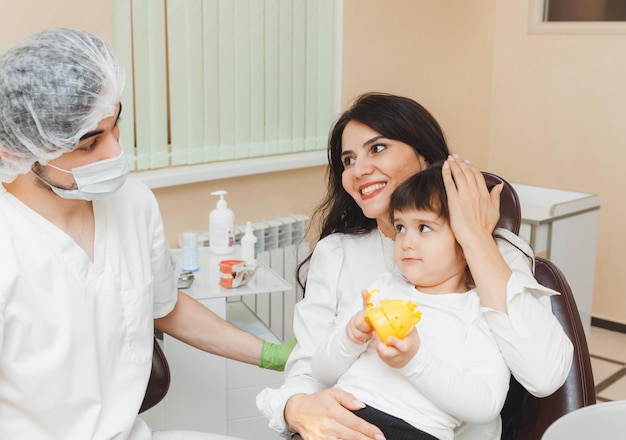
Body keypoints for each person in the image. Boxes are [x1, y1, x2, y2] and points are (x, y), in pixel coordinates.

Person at [0, 28, 294, 440]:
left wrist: (272, 354)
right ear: (17, 149)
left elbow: (163, 305)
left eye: (115, 126)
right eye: (90, 143)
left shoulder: (132, 202)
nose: (116, 152)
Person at [256, 92, 573, 440]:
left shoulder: (492, 252)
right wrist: (295, 407)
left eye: (377, 149)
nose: (359, 170)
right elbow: (308, 371)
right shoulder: (338, 254)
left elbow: (544, 376)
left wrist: (474, 240)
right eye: (348, 160)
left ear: (425, 157)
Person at [311, 162, 520, 440]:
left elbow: (487, 405)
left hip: (413, 430)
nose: (406, 241)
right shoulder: (382, 288)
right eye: (400, 227)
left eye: (423, 227)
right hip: (342, 415)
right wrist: (351, 338)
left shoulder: (480, 311)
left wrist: (414, 361)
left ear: (465, 236)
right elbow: (322, 372)